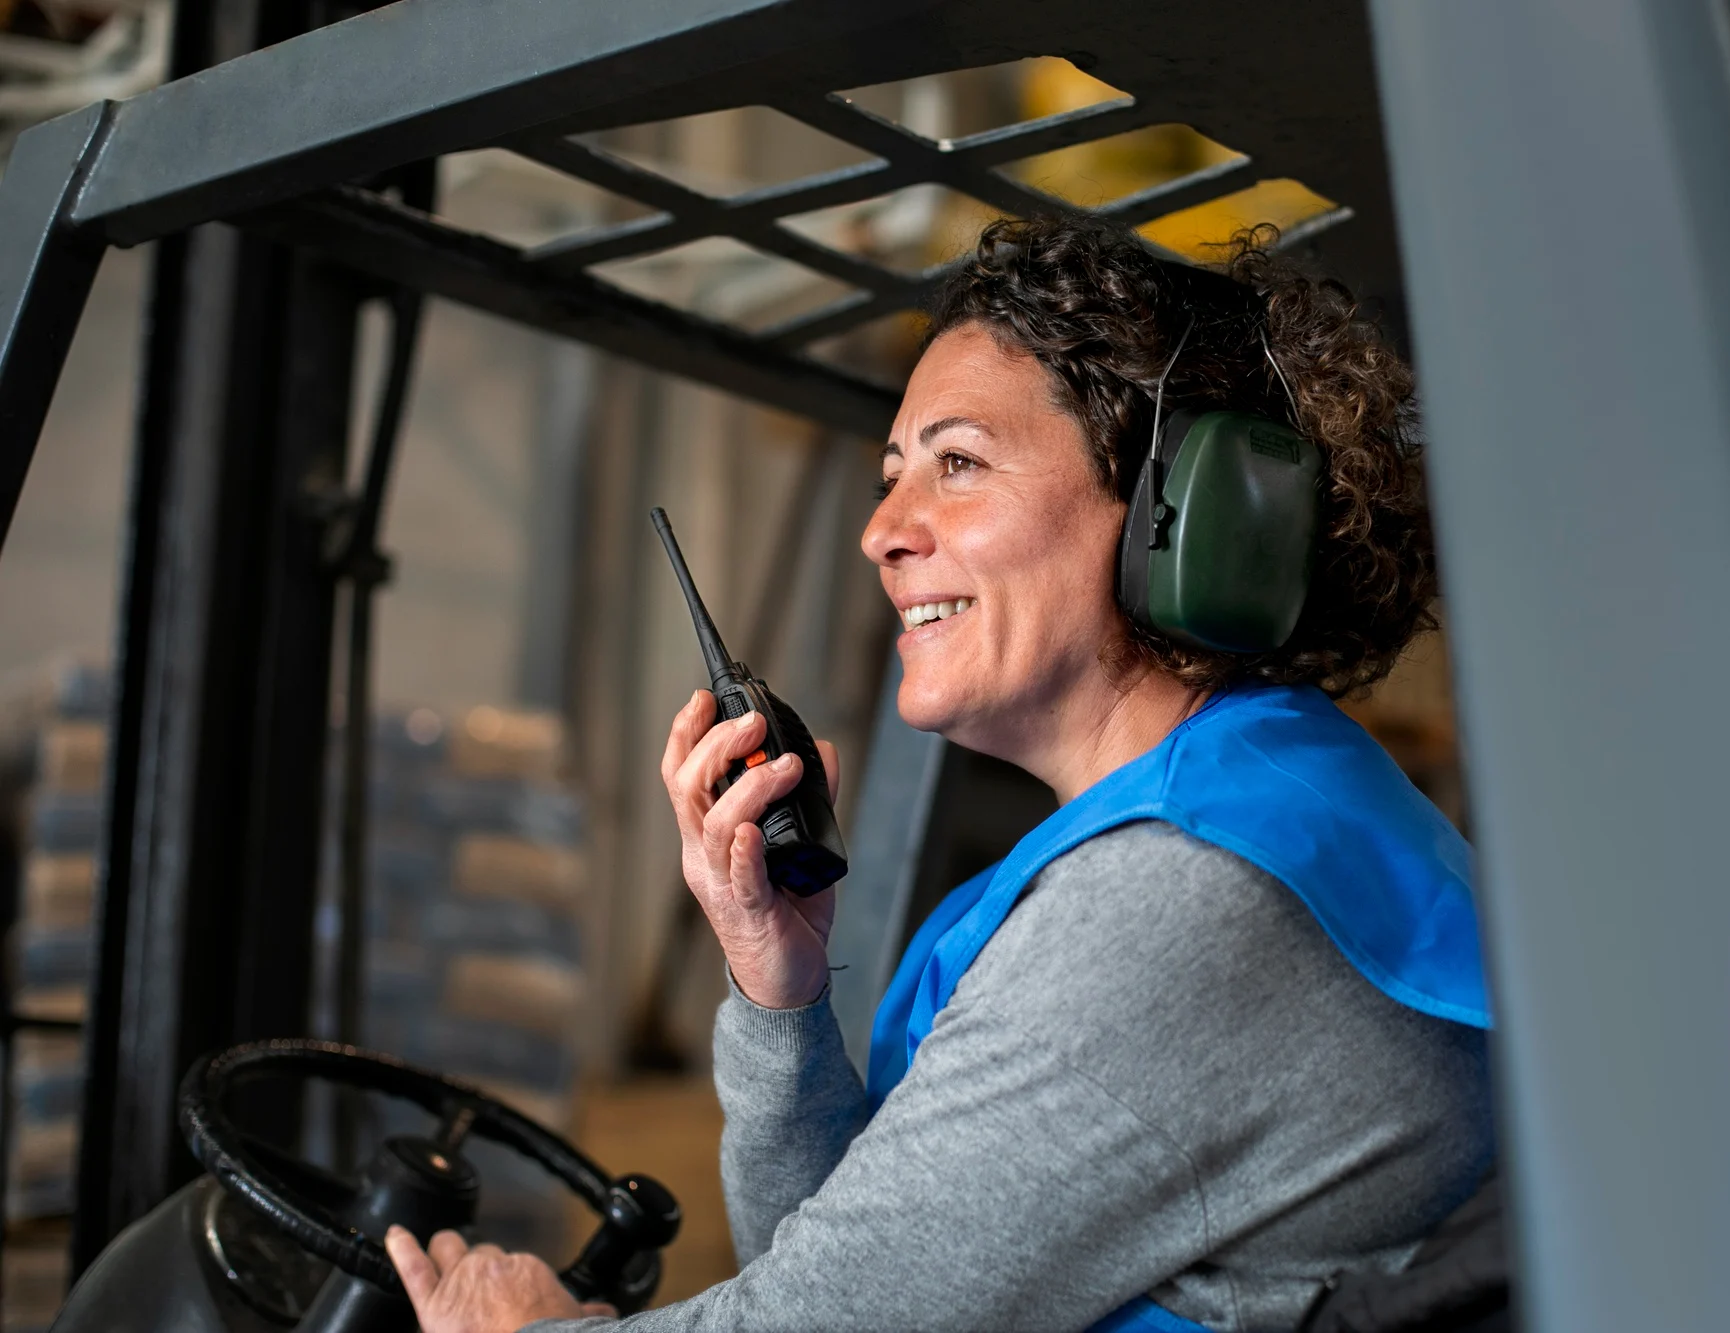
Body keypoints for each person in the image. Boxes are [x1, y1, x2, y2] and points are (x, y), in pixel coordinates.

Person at [386, 215, 1495, 1333]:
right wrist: (778, 988)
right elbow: (857, 1268)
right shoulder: (1265, 802)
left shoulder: (1179, 895)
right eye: (891, 476)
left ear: (1175, 515)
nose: (881, 531)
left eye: (956, 463)